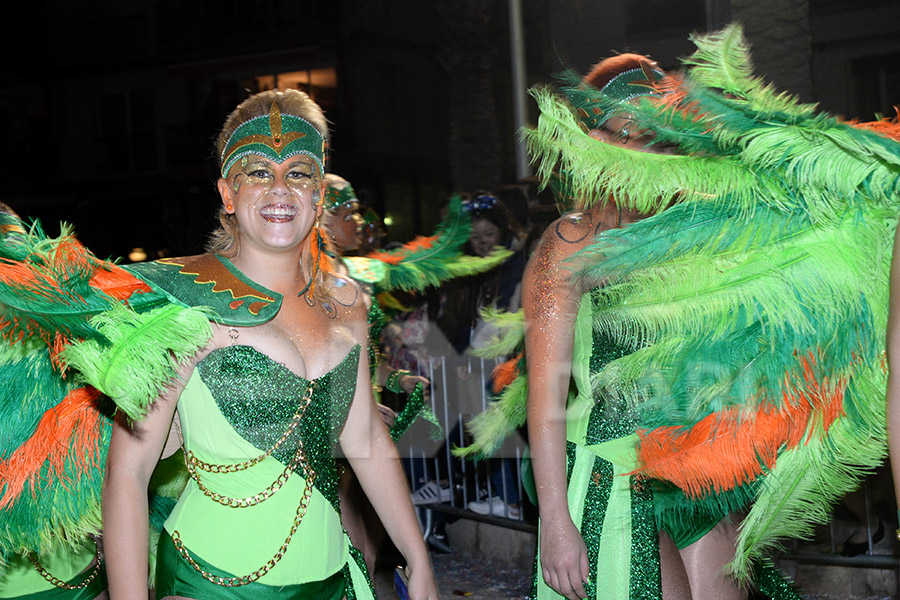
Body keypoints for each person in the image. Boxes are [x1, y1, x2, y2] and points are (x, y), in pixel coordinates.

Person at [101, 89, 440, 599]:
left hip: (331, 583)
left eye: (298, 173)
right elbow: (128, 471)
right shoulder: (180, 302)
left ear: (319, 193)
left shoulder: (347, 302)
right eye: (258, 171)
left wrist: (418, 559)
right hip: (210, 585)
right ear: (227, 193)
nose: (279, 187)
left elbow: (367, 441)